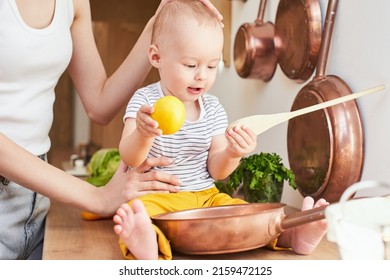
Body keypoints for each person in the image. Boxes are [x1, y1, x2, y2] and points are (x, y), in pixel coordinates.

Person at [0, 0, 222, 260]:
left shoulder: (74, 3)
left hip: (37, 191)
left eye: (210, 66)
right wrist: (97, 197)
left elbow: (99, 105)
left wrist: (160, 25)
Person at [114, 0, 328, 260]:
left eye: (212, 66)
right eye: (191, 65)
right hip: (160, 197)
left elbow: (217, 170)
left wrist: (233, 154)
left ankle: (290, 234)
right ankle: (148, 243)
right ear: (156, 57)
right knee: (140, 212)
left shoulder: (213, 108)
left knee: (243, 211)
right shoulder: (145, 102)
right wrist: (143, 133)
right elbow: (129, 157)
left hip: (207, 198)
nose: (202, 75)